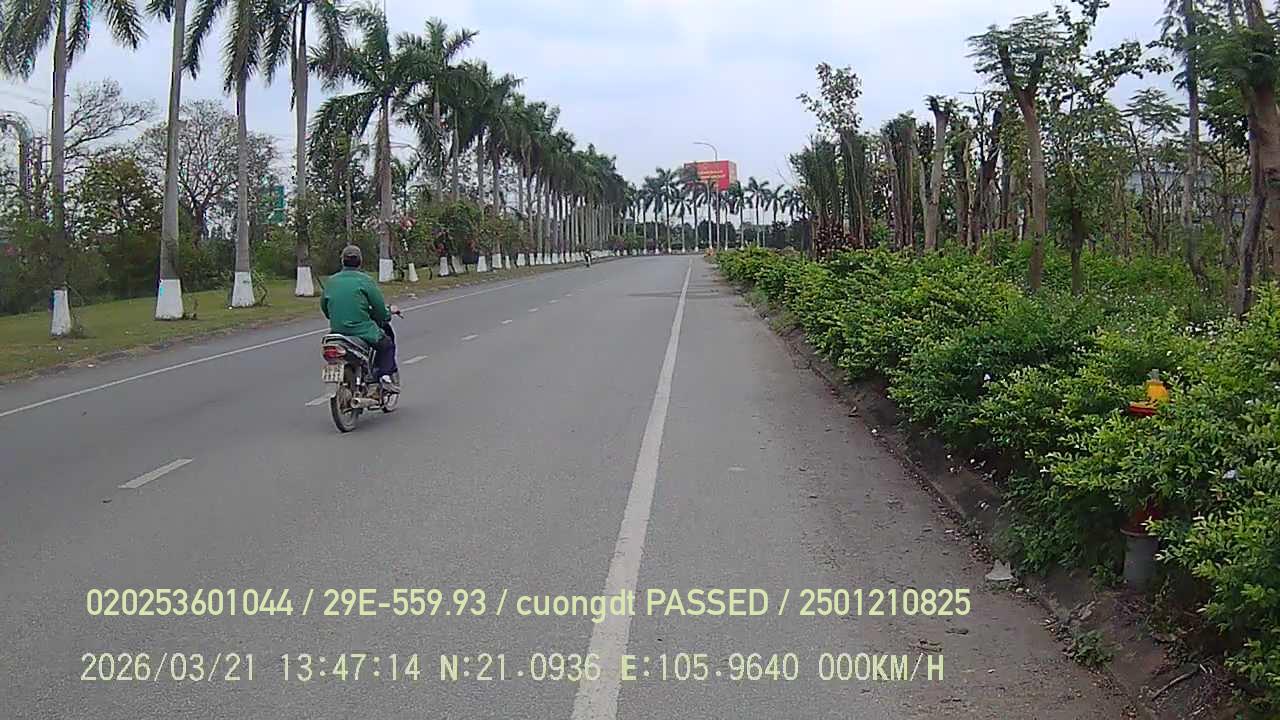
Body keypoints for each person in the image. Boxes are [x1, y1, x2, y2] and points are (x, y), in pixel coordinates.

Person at [320, 245, 399, 393]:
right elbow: (380, 310)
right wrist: (387, 314)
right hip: (362, 330)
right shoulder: (365, 281)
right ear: (360, 261)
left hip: (337, 331)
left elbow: (325, 308)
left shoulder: (331, 281)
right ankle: (384, 377)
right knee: (387, 345)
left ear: (342, 261)